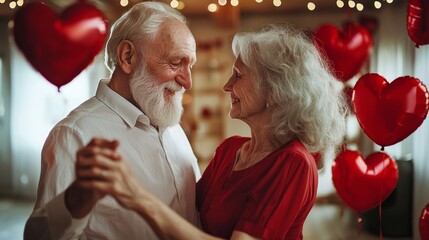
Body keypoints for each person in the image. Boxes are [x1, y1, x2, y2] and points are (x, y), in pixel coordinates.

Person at [75, 24, 348, 239]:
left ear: (275, 93)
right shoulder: (229, 150)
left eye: (238, 75)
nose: (227, 86)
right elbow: (187, 216)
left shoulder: (293, 163)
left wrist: (137, 197)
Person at [23, 2, 201, 239]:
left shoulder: (173, 127)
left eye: (190, 65)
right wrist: (74, 201)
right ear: (127, 57)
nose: (187, 82)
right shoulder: (75, 134)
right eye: (176, 62)